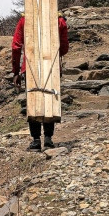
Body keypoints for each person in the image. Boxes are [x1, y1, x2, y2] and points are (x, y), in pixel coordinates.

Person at [12, 14, 70, 150]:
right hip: (52, 66)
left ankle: (36, 140)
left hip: (30, 67)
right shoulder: (59, 21)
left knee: (34, 99)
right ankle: (48, 138)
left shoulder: (24, 20)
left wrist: (16, 72)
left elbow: (16, 46)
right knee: (49, 98)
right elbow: (64, 48)